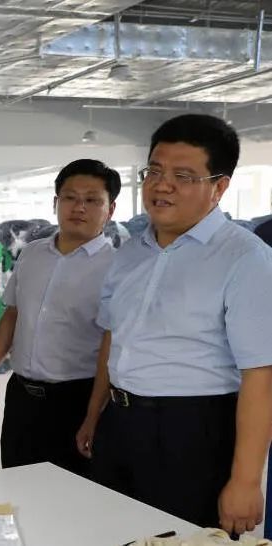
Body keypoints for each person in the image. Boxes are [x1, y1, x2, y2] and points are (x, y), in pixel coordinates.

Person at [85, 114, 272, 534]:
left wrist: (245, 481)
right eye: (154, 171)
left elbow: (261, 375)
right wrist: (95, 413)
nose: (162, 185)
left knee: (183, 538)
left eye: (183, 176)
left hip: (192, 431)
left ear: (219, 187)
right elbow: (114, 338)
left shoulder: (246, 259)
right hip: (120, 421)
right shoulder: (130, 252)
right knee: (110, 532)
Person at [0, 159, 119, 477]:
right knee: (16, 480)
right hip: (22, 396)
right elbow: (13, 312)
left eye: (92, 200)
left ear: (110, 209)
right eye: (70, 197)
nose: (78, 207)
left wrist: (93, 416)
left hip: (76, 399)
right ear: (56, 202)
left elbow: (110, 349)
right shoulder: (32, 254)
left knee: (72, 490)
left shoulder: (117, 268)